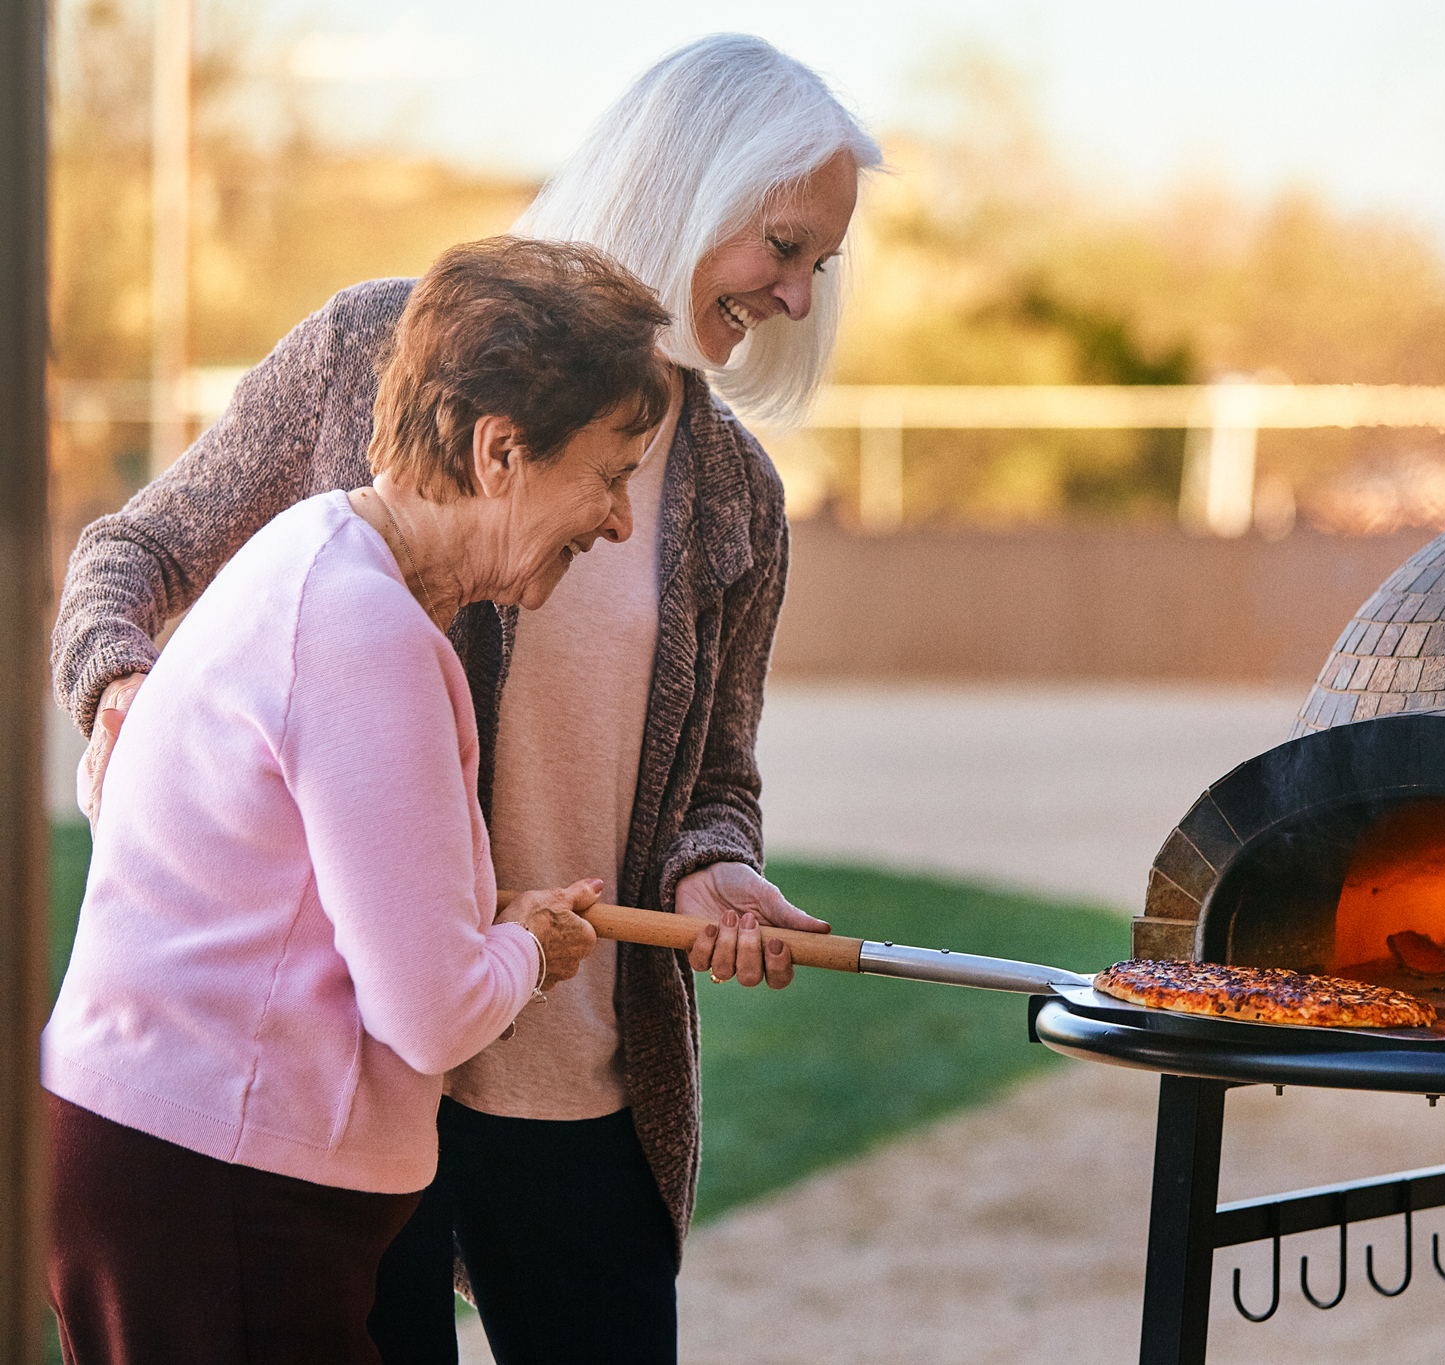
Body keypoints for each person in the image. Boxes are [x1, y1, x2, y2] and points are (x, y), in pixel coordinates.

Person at [50, 32, 883, 1365]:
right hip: (359, 1071)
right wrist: (128, 698)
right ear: (686, 184)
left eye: (816, 265)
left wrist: (714, 864)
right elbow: (133, 554)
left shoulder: (739, 497)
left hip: (579, 1067)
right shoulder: (387, 348)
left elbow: (715, 771)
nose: (795, 294)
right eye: (781, 246)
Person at [43, 235, 677, 1364]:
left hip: (190, 1172)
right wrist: (530, 945)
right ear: (500, 452)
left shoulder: (326, 554)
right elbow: (429, 1011)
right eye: (611, 473)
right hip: (215, 1192)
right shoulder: (363, 633)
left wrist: (487, 925)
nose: (619, 520)